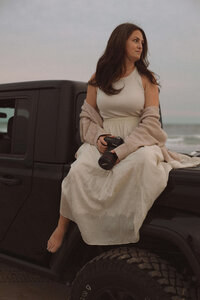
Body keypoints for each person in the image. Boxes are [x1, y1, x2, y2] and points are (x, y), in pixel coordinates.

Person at [47, 23, 200, 253]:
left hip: (138, 140)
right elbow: (87, 118)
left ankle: (124, 229)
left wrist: (122, 152)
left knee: (145, 163)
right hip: (105, 140)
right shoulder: (98, 78)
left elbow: (150, 123)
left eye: (142, 41)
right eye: (135, 40)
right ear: (120, 42)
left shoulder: (147, 80)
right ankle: (61, 227)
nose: (141, 45)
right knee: (78, 171)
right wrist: (99, 138)